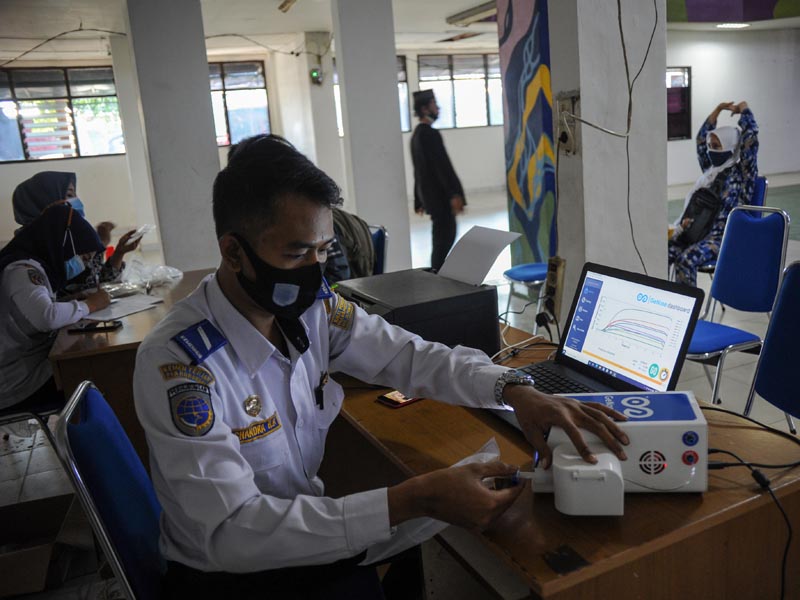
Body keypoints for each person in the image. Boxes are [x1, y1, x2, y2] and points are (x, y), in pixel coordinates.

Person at [133, 134, 629, 599]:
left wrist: (512, 387)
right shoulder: (180, 362)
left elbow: (406, 354)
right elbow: (230, 532)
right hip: (233, 577)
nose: (316, 271)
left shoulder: (310, 309)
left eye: (324, 251)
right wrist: (410, 501)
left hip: (302, 538)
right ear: (233, 251)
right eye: (295, 253)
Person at [0, 203, 110, 412]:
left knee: (90, 368)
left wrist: (71, 300)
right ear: (64, 245)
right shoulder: (22, 271)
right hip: (16, 384)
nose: (82, 264)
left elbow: (35, 309)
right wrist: (90, 304)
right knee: (97, 374)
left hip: (27, 367)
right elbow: (46, 317)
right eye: (82, 256)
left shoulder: (34, 265)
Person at [668, 101, 758, 286]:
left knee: (685, 260)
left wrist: (744, 110)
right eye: (711, 145)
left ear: (731, 146)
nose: (711, 150)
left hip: (722, 238)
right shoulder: (711, 170)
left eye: (717, 146)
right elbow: (701, 139)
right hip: (698, 232)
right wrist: (717, 110)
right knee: (664, 250)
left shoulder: (742, 175)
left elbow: (750, 142)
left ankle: (686, 309)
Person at [11, 171, 142, 289]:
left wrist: (119, 252)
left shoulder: (70, 236)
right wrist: (98, 244)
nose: (76, 201)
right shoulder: (29, 248)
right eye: (69, 194)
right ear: (46, 200)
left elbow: (97, 282)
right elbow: (51, 297)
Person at [410, 90, 466, 272]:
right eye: (434, 104)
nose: (438, 107)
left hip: (431, 198)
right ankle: (438, 276)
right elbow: (442, 167)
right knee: (444, 238)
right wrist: (454, 194)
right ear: (425, 108)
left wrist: (418, 200)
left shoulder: (417, 135)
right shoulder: (430, 134)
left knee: (441, 238)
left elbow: (418, 171)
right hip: (440, 198)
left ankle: (437, 274)